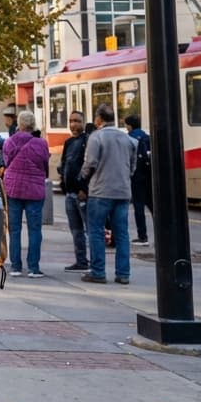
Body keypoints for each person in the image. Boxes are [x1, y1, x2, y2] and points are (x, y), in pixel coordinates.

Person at [80, 104, 135, 285]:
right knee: (122, 233)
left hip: (100, 190)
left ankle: (98, 271)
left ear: (98, 119)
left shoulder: (97, 137)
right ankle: (123, 273)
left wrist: (82, 178)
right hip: (123, 190)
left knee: (96, 230)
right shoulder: (128, 139)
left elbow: (90, 163)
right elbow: (132, 166)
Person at [2, 110, 51, 278]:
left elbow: (7, 162)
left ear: (20, 125)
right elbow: (45, 164)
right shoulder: (41, 143)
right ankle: (33, 268)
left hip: (13, 189)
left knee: (14, 230)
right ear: (33, 125)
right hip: (34, 191)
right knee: (35, 229)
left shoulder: (10, 142)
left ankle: (15, 266)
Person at [58, 110, 91, 272]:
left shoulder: (88, 141)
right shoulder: (69, 142)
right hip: (70, 193)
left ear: (83, 122)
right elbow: (64, 163)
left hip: (82, 193)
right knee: (76, 230)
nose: (73, 124)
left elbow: (89, 166)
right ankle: (81, 260)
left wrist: (83, 188)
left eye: (77, 121)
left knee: (89, 229)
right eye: (71, 121)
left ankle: (95, 262)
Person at [124, 115, 152, 245]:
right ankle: (163, 234)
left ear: (129, 126)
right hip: (149, 176)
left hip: (136, 177)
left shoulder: (130, 138)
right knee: (152, 206)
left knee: (139, 206)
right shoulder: (147, 137)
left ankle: (142, 236)